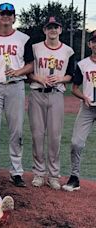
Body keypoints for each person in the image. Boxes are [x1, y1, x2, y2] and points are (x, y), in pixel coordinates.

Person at [0, 2, 34, 187]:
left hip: (15, 86)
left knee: (16, 130)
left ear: (14, 17)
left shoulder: (23, 38)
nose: (6, 17)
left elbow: (30, 64)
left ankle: (16, 171)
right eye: (2, 14)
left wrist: (18, 72)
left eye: (9, 14)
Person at [29, 17, 75, 190]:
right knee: (37, 135)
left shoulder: (68, 51)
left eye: (56, 27)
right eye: (50, 27)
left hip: (56, 95)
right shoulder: (35, 48)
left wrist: (61, 78)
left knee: (55, 137)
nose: (53, 30)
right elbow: (29, 72)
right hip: (37, 93)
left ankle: (54, 175)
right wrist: (38, 77)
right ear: (44, 30)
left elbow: (70, 75)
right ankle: (39, 174)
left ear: (61, 30)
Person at [62, 30, 96, 192]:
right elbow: (74, 89)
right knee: (76, 142)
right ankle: (74, 177)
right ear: (90, 44)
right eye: (94, 41)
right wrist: (84, 98)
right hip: (88, 108)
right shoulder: (83, 65)